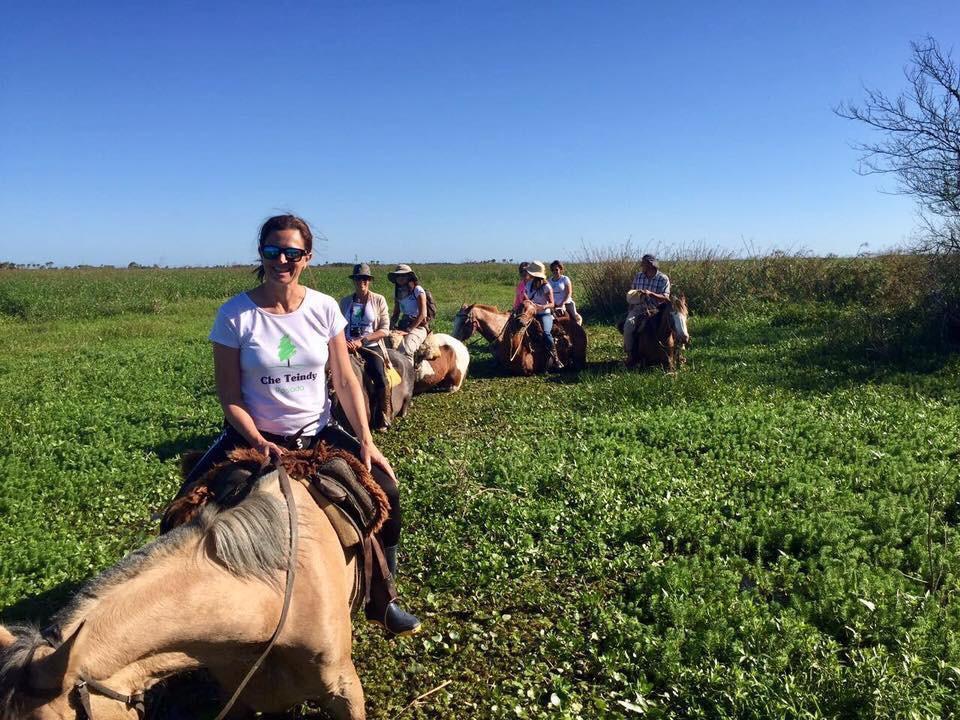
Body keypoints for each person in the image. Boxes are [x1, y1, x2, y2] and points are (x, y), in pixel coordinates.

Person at [184, 215, 420, 635]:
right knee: (182, 507)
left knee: (387, 488)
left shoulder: (324, 308)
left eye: (292, 253)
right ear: (262, 254)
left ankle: (384, 598)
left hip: (317, 434)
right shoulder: (234, 315)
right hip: (252, 438)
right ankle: (189, 606)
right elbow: (230, 397)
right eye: (273, 251)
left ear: (306, 258)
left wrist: (366, 439)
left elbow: (345, 379)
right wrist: (257, 439)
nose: (282, 260)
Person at [339, 263, 393, 429]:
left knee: (380, 377)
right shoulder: (345, 301)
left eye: (365, 279)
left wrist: (362, 341)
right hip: (347, 345)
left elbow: (384, 329)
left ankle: (383, 416)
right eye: (358, 278)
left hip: (370, 345)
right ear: (354, 281)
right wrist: (344, 341)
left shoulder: (378, 300)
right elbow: (338, 327)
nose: (361, 282)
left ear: (369, 281)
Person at [623, 254, 671, 367]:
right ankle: (630, 354)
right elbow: (633, 292)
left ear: (650, 265)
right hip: (639, 308)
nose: (641, 266)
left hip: (658, 309)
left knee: (673, 325)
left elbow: (665, 297)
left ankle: (677, 351)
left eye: (643, 264)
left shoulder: (663, 278)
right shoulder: (639, 276)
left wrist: (650, 294)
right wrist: (631, 305)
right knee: (628, 326)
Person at [523, 261, 563, 371]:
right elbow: (526, 297)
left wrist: (542, 307)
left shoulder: (546, 286)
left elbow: (552, 303)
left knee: (546, 333)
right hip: (531, 313)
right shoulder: (528, 284)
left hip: (544, 314)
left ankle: (556, 358)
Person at [388, 264, 429, 358]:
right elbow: (396, 314)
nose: (400, 278)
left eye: (403, 275)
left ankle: (410, 372)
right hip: (403, 324)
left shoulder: (417, 290)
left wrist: (408, 330)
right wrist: (388, 326)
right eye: (398, 276)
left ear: (409, 277)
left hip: (418, 326)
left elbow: (423, 314)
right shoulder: (397, 293)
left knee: (405, 350)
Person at [548, 260, 582, 325]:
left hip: (565, 302)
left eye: (556, 269)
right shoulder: (549, 280)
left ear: (560, 269)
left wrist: (562, 303)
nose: (554, 271)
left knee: (576, 317)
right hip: (553, 304)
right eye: (553, 270)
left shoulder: (565, 279)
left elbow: (569, 292)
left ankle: (577, 329)